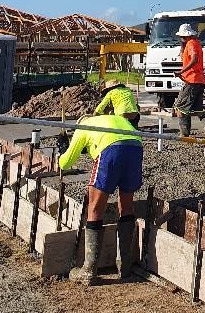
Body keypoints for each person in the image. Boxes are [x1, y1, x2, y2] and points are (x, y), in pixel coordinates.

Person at [57, 113, 143, 284]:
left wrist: (63, 150)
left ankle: (89, 271)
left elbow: (65, 163)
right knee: (126, 206)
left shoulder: (83, 128)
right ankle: (125, 268)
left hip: (110, 150)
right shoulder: (116, 120)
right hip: (135, 147)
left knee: (95, 208)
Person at [174, 23, 205, 139]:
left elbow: (194, 59)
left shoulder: (191, 43)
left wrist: (181, 72)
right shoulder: (195, 43)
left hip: (192, 80)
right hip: (199, 80)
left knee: (180, 107)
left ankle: (184, 134)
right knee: (198, 110)